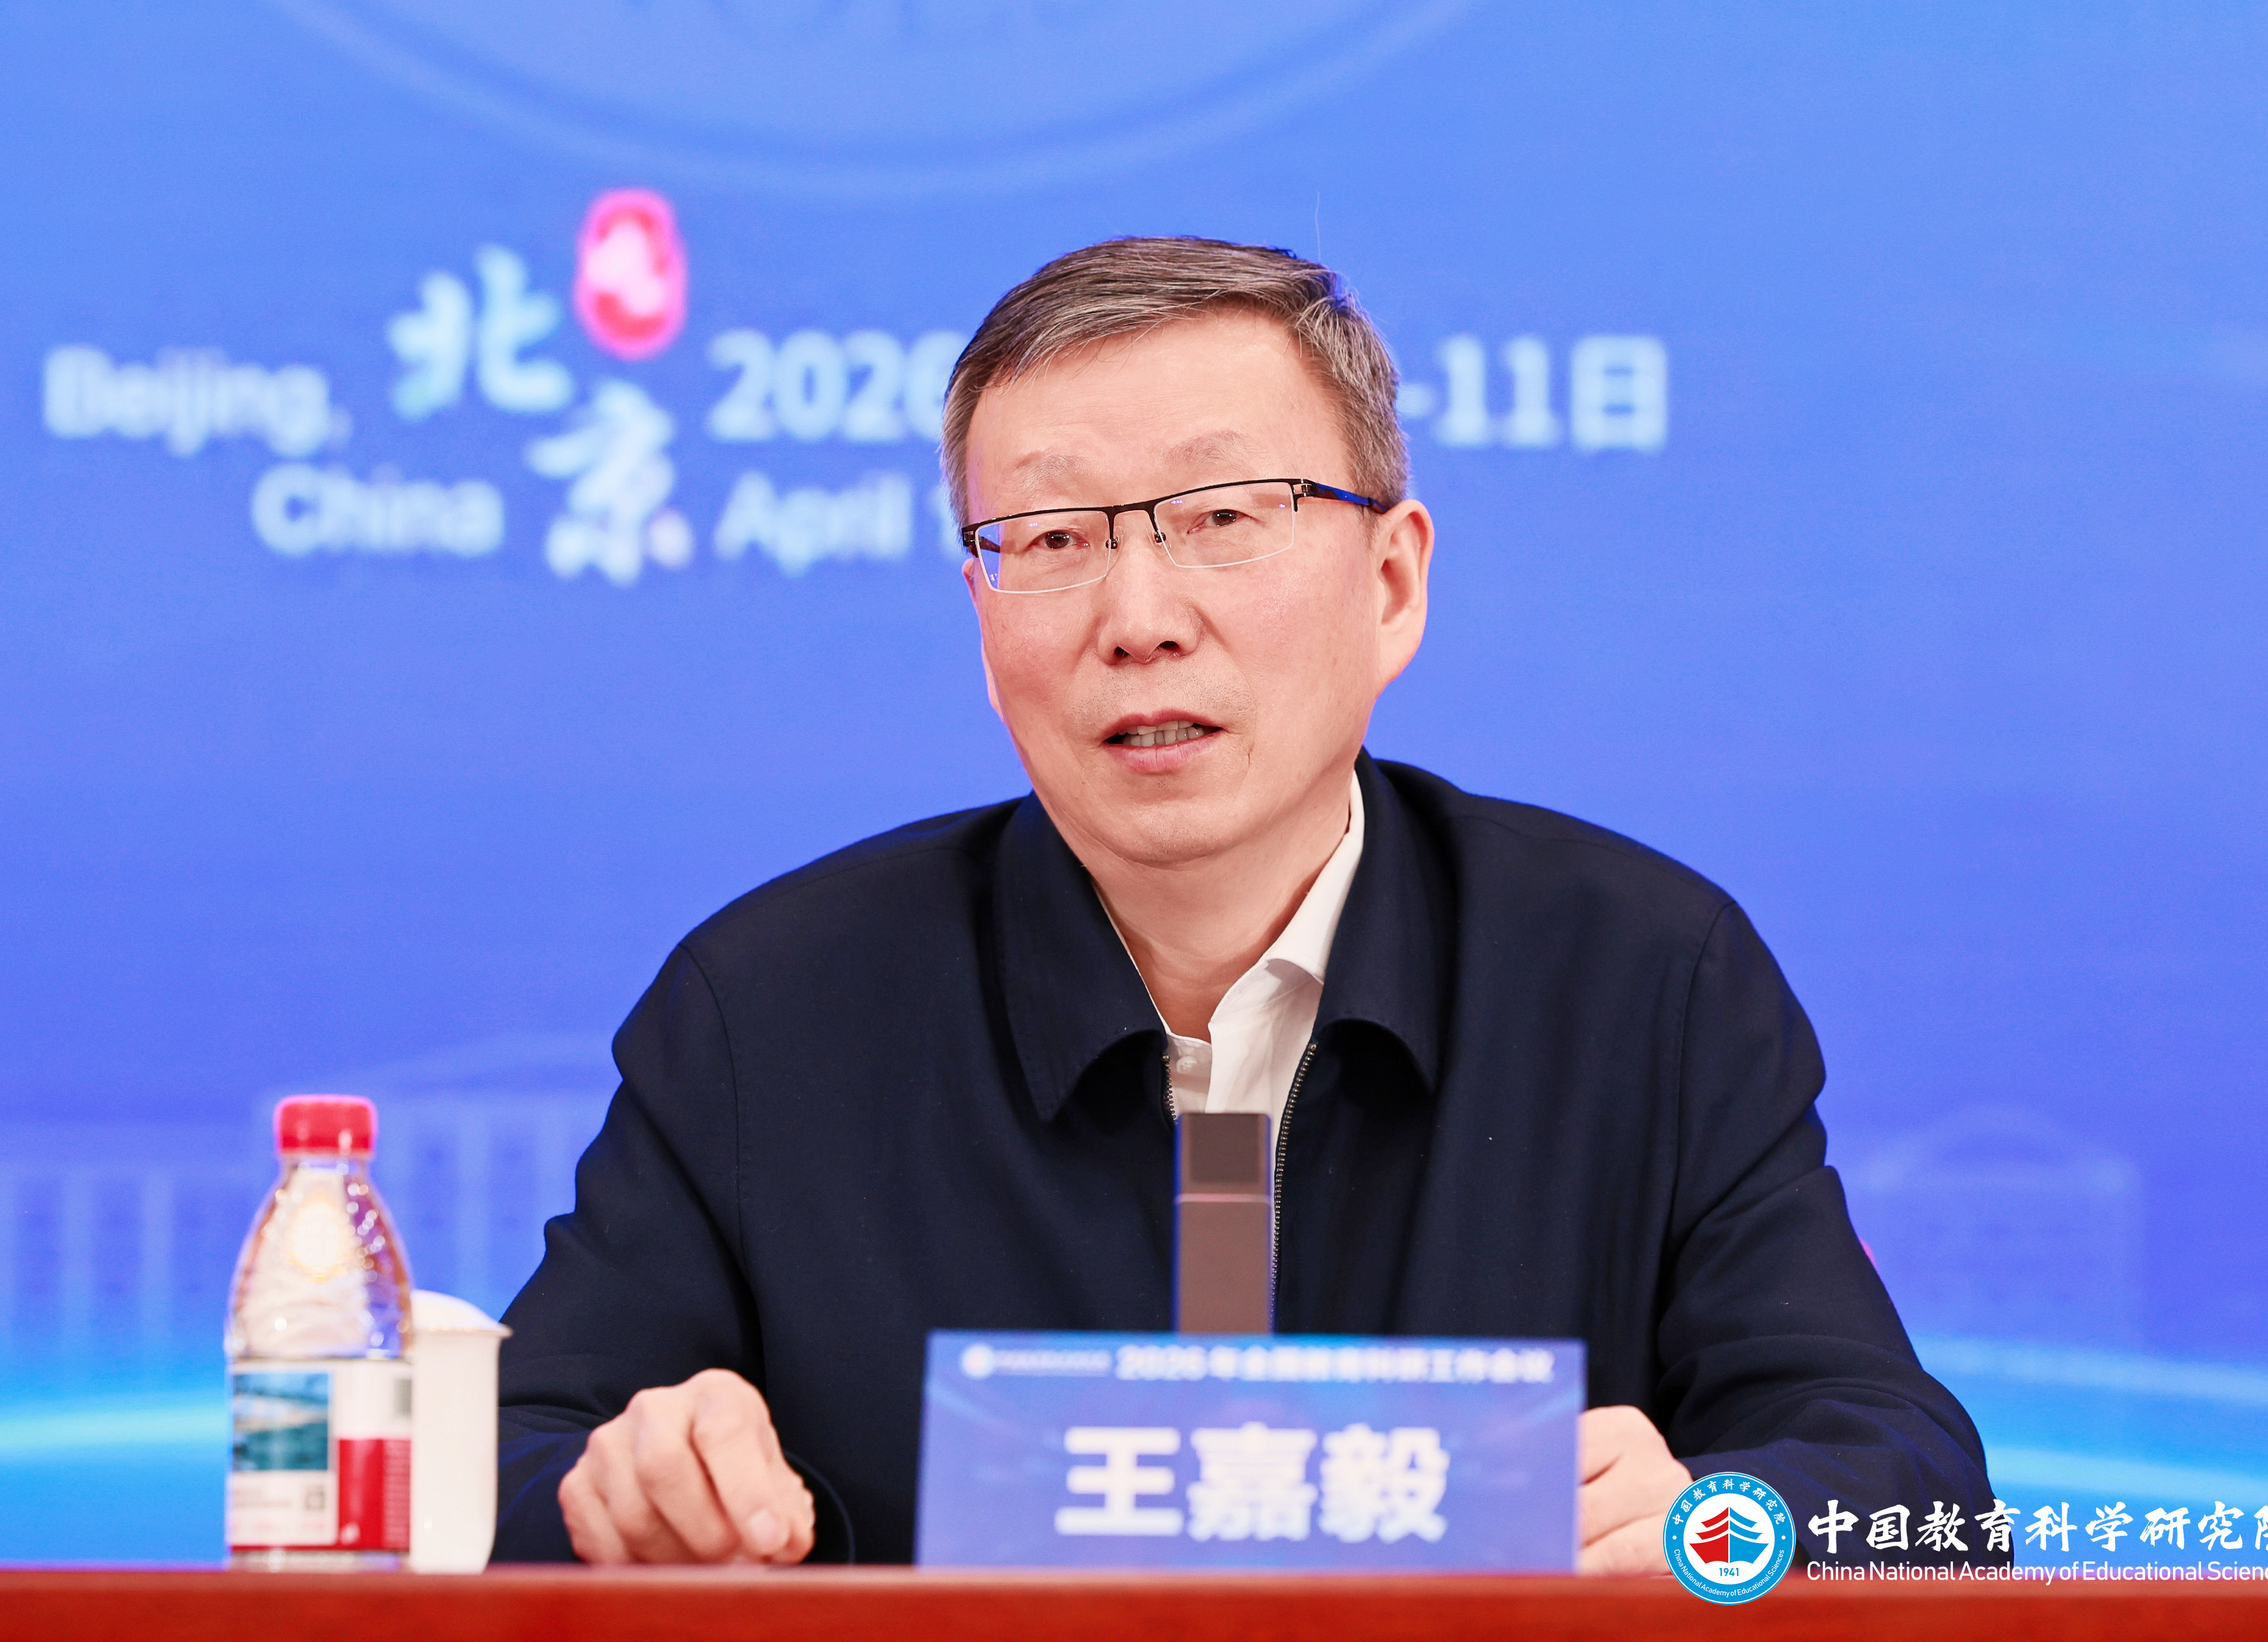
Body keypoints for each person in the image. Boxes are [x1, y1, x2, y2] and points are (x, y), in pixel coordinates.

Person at [493, 236, 1997, 1571]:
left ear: (1393, 582)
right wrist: (618, 1495)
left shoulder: (1642, 980)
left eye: (1223, 515)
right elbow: (507, 1455)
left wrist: (1712, 1522)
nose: (1140, 619)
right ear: (981, 616)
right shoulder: (772, 1012)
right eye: (1054, 538)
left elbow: (1908, 1474)